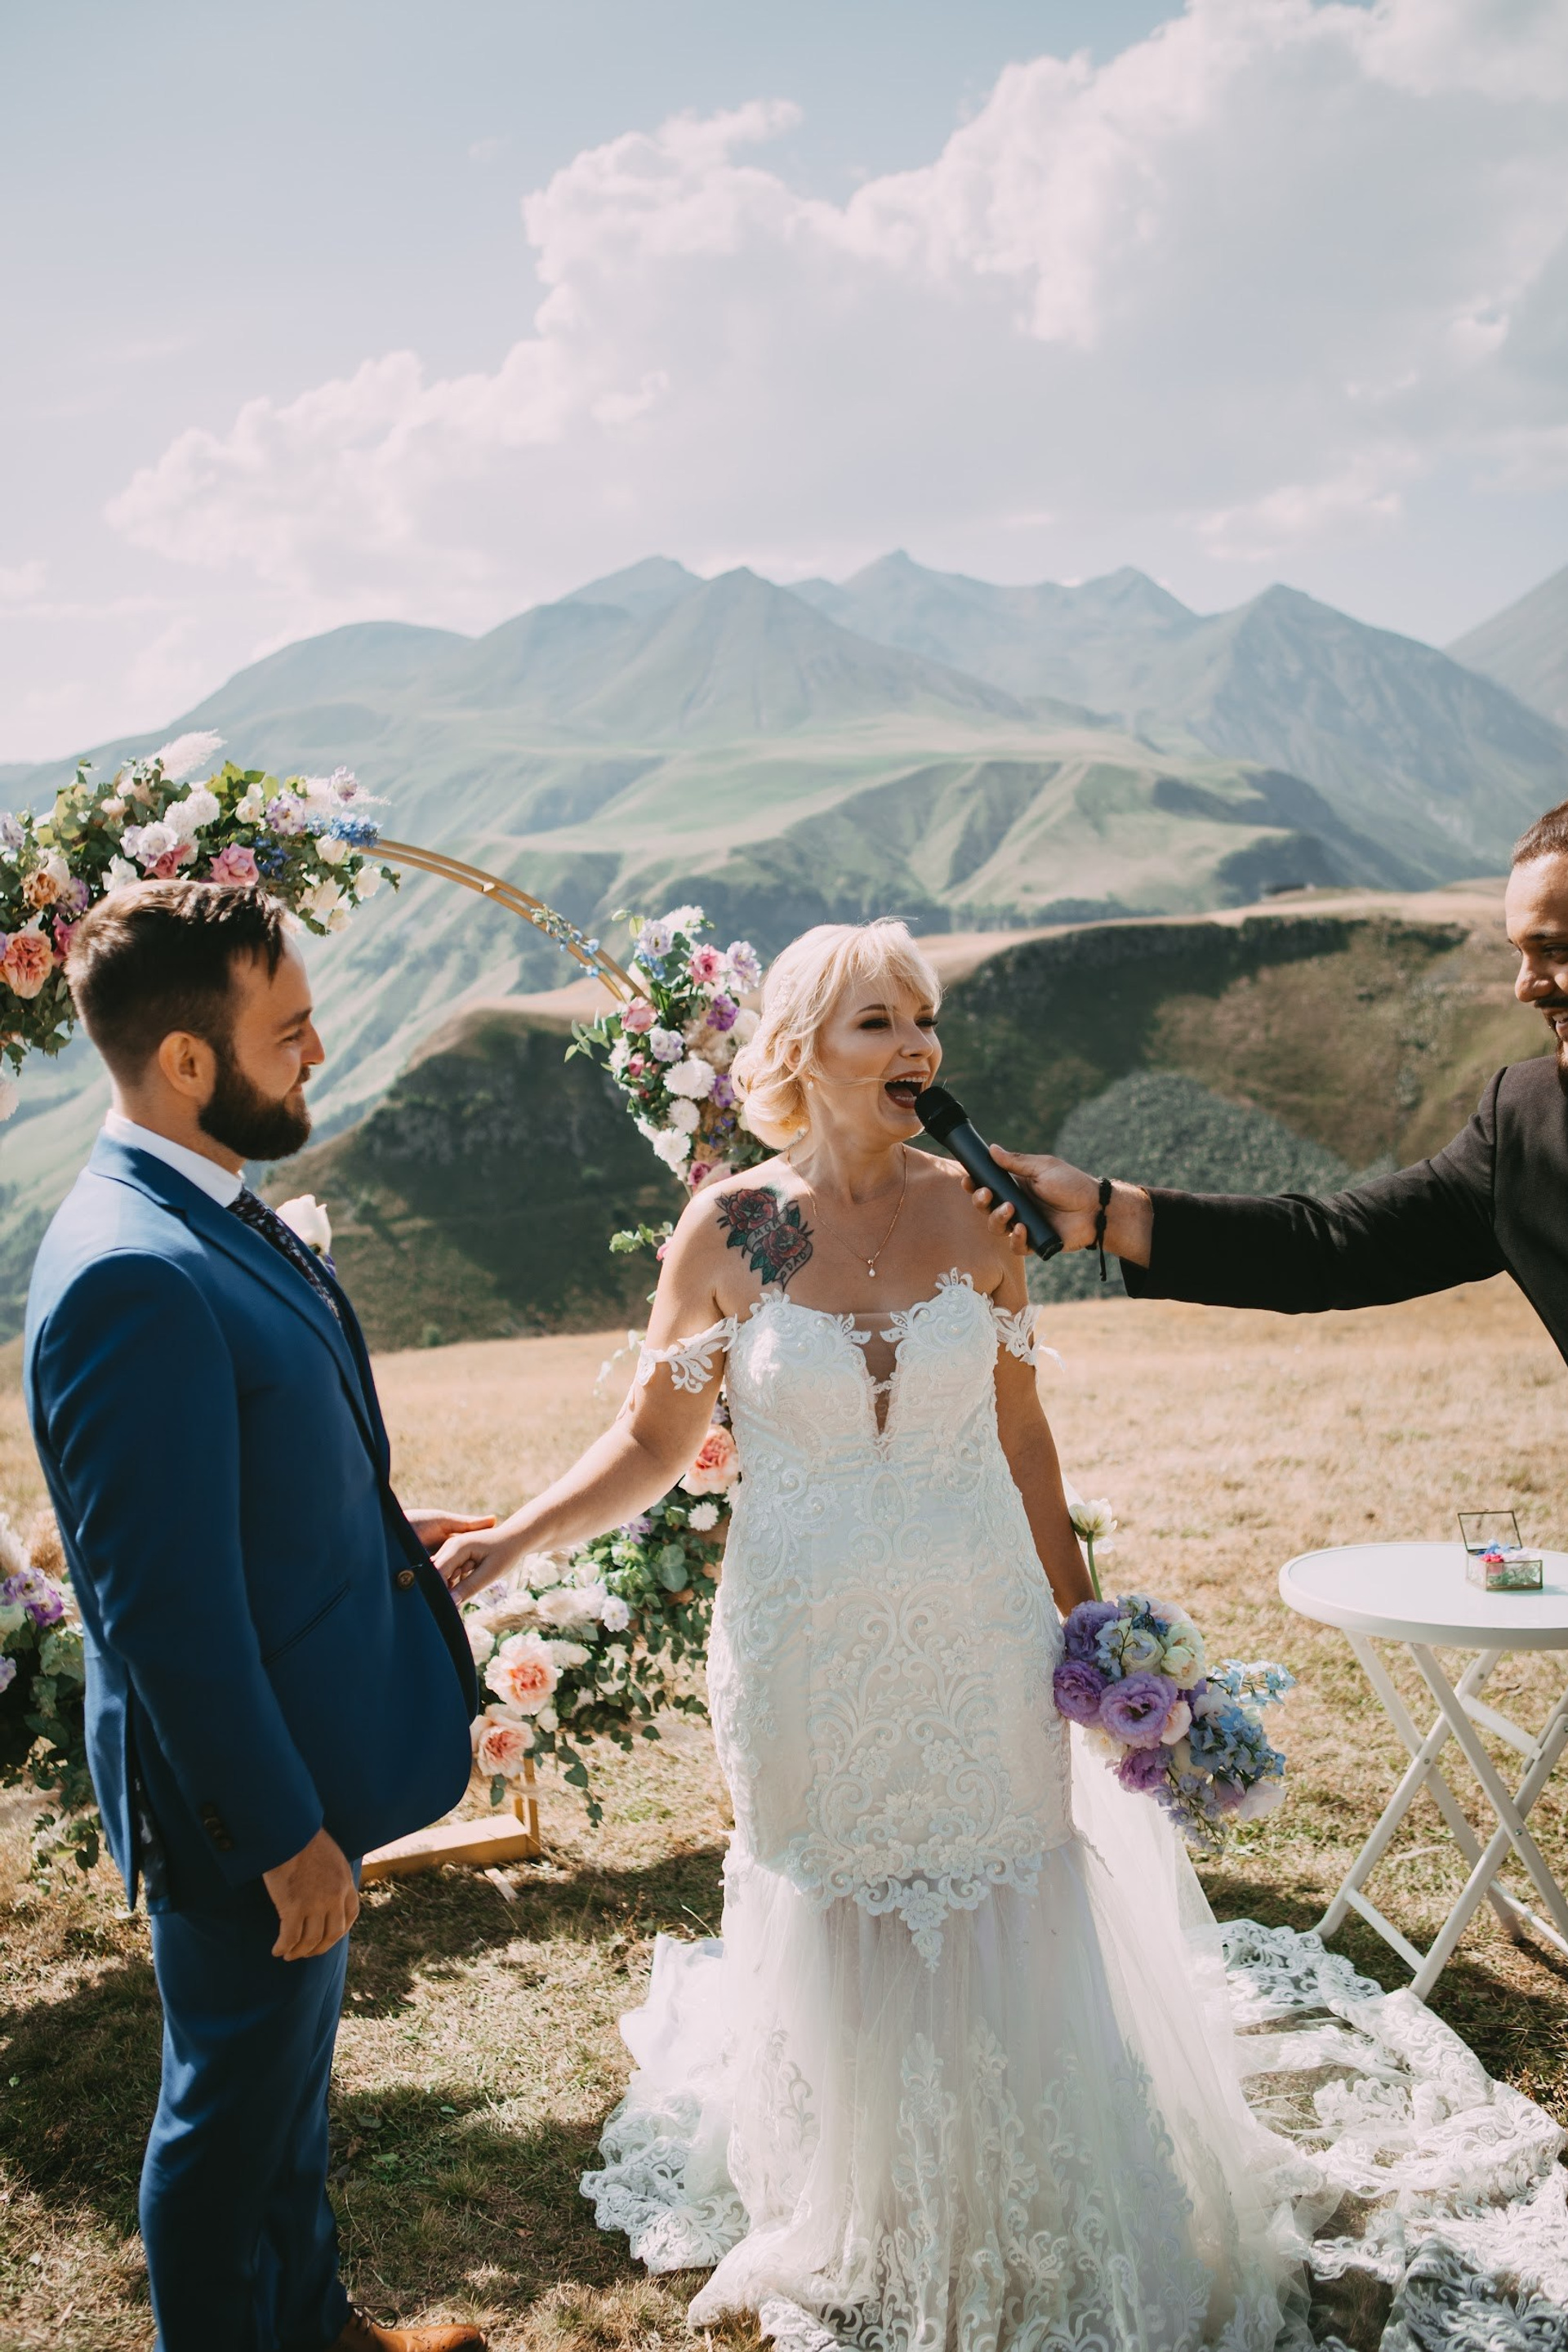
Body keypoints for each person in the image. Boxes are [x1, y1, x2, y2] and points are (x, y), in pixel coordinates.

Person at [434, 919, 1307, 2352]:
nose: (917, 1046)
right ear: (799, 1053)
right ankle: (860, 2204)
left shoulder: (979, 1212)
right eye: (876, 1023)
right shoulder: (748, 1229)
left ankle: (1026, 2201)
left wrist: (1093, 1637)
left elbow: (1027, 1446)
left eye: (925, 1018)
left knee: (1009, 1893)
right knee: (843, 1906)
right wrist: (513, 1539)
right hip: (806, 1648)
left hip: (980, 1633)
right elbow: (652, 1442)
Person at [25, 880, 491, 2352]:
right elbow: (161, 1614)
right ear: (183, 1061)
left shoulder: (196, 1203)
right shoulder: (127, 1273)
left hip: (303, 1747)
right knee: (226, 2114)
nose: (317, 1057)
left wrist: (369, 1535)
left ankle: (318, 2329)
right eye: (288, 1033)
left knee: (287, 2090)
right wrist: (282, 1832)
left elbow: (229, 1491)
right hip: (244, 1791)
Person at [964, 801, 1568, 1348]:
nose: (1526, 988)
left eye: (1557, 951)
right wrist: (1107, 1214)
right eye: (1518, 953)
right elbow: (1329, 1247)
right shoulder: (1522, 1123)